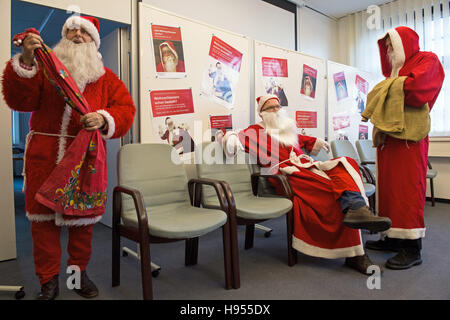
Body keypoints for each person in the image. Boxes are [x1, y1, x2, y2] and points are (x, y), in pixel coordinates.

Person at [2, 15, 136, 299]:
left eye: (84, 32)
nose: (77, 35)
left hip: (85, 162)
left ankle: (77, 277)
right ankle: (48, 282)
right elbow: (17, 100)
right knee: (43, 226)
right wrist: (26, 59)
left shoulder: (107, 79)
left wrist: (103, 118)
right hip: (44, 160)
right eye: (71, 30)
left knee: (82, 227)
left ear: (94, 41)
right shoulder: (44, 72)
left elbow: (126, 110)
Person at [216, 94, 392, 275]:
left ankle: (356, 208)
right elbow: (231, 138)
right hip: (285, 176)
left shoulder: (285, 129)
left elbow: (300, 139)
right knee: (336, 193)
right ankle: (356, 253)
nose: (276, 110)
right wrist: (228, 136)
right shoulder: (254, 131)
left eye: (278, 106)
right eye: (270, 108)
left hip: (305, 167)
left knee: (344, 164)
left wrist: (315, 141)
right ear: (261, 113)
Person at [365, 26, 445, 270]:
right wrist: (389, 86)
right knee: (389, 191)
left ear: (404, 43)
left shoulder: (427, 59)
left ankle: (412, 249)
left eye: (391, 45)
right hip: (389, 141)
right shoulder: (394, 73)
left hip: (409, 142)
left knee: (407, 191)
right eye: (386, 47)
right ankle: (391, 238)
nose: (388, 50)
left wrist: (383, 89)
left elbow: (416, 91)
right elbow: (393, 91)